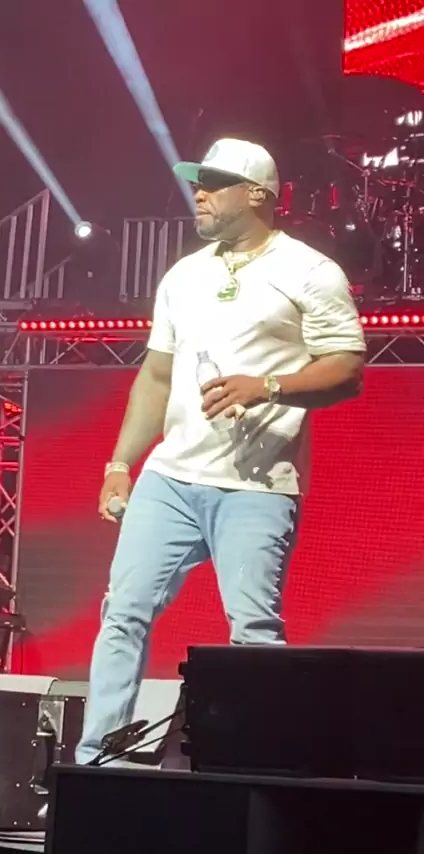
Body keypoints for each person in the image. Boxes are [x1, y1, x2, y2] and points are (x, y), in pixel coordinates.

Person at [75, 138, 366, 764]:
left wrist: (269, 386)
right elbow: (156, 377)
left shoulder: (309, 271)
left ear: (257, 194)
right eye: (196, 183)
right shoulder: (184, 275)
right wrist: (120, 465)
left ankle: (257, 768)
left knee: (253, 629)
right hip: (170, 478)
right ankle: (98, 760)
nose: (198, 194)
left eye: (213, 183)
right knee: (123, 612)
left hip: (256, 484)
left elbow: (347, 369)